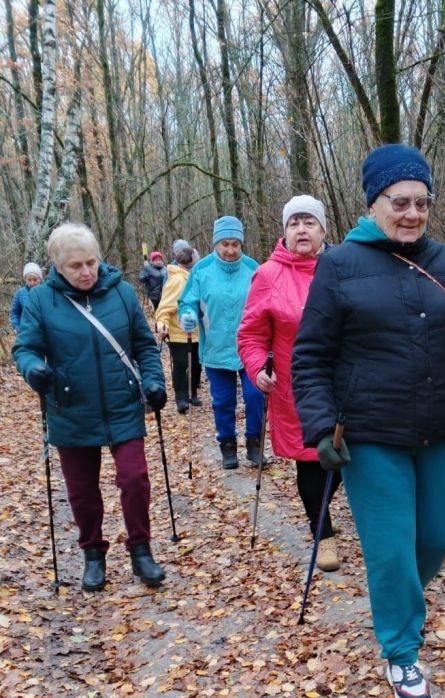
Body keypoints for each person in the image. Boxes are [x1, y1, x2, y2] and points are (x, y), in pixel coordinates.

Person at [292, 144, 445, 698]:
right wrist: (320, 426)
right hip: (370, 433)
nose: (412, 213)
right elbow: (311, 356)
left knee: (437, 536)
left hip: (443, 427)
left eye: (422, 202)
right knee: (391, 550)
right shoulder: (340, 264)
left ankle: (396, 603)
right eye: (400, 202)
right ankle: (401, 650)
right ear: (374, 204)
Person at [12, 222, 167, 592]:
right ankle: (93, 554)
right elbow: (25, 349)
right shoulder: (40, 300)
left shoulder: (122, 293)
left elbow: (144, 346)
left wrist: (154, 381)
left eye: (91, 262)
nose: (86, 272)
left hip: (122, 402)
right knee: (82, 491)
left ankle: (141, 550)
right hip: (71, 407)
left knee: (134, 479)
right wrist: (33, 369)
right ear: (57, 266)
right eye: (75, 266)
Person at [237, 195, 342, 572]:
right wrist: (257, 368)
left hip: (345, 382)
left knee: (344, 459)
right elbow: (250, 335)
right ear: (284, 231)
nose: (302, 229)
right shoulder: (268, 275)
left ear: (323, 230)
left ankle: (327, 514)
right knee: (312, 460)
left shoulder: (342, 267)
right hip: (295, 387)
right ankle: (322, 532)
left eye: (309, 222)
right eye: (294, 223)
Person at [178, 215, 265, 469]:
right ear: (216, 243)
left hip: (251, 348)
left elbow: (266, 301)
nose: (230, 250)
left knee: (255, 396)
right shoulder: (202, 269)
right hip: (216, 347)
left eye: (235, 244)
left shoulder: (253, 268)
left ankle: (255, 444)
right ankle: (227, 446)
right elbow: (187, 301)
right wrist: (188, 315)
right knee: (223, 402)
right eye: (225, 244)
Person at [155, 239, 202, 414]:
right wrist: (162, 324)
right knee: (182, 365)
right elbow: (164, 306)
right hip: (178, 332)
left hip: (197, 333)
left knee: (196, 364)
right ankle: (181, 398)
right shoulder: (176, 281)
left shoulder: (196, 278)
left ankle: (193, 393)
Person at [10, 262, 43, 331]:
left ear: (40, 279)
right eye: (29, 280)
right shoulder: (20, 293)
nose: (32, 282)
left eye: (35, 279)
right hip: (26, 331)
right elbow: (15, 313)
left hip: (45, 332)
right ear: (25, 280)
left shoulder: (47, 292)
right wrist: (18, 328)